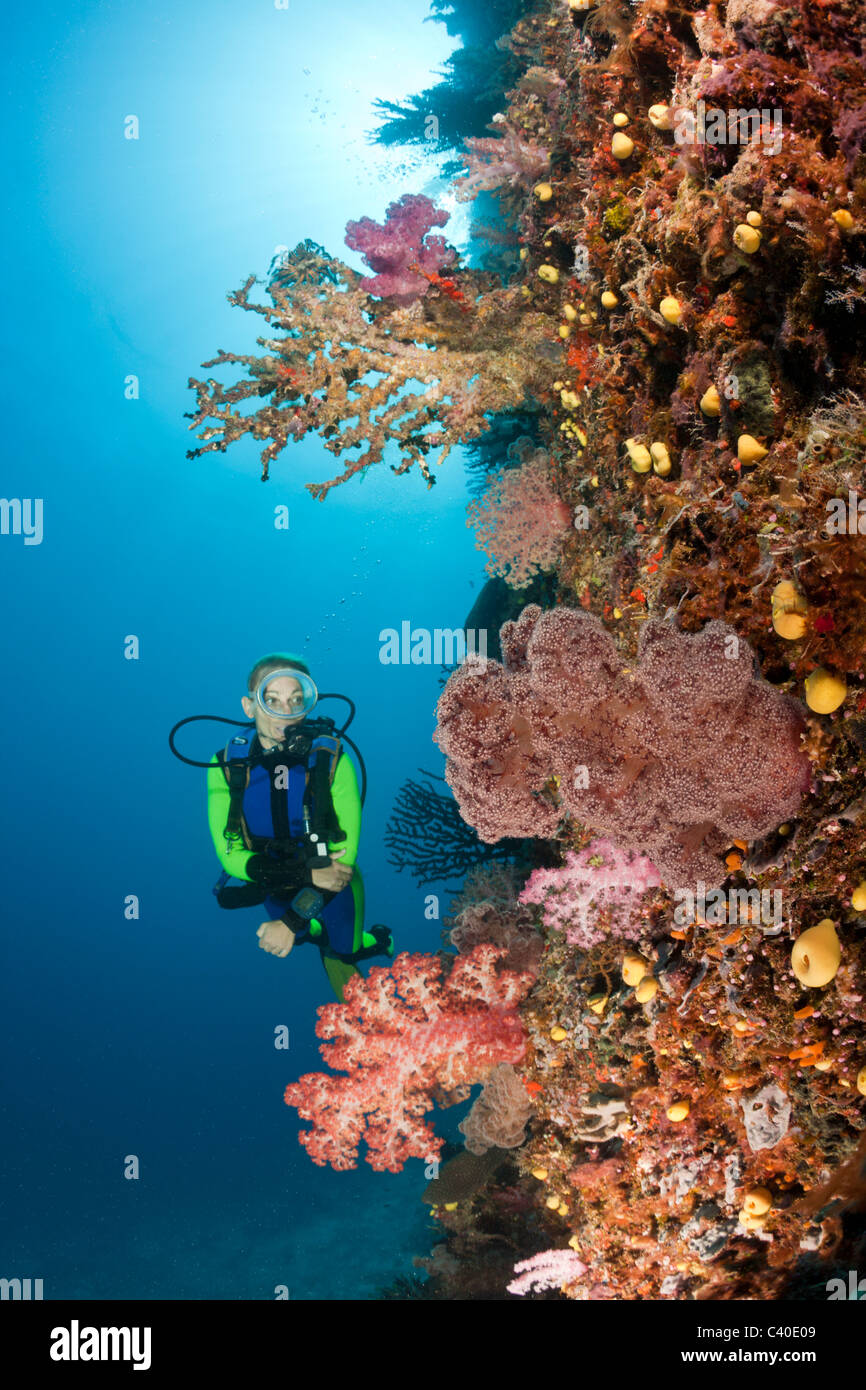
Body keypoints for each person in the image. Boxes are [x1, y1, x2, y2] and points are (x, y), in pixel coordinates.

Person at [207, 652, 392, 1001]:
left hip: (334, 883)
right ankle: (311, 929)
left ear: (308, 703)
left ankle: (380, 939)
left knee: (346, 950)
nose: (285, 712)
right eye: (271, 700)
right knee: (305, 934)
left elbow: (344, 859)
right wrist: (299, 890)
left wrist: (289, 923)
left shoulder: (333, 762)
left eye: (295, 700)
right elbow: (229, 852)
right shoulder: (226, 765)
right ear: (249, 706)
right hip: (275, 880)